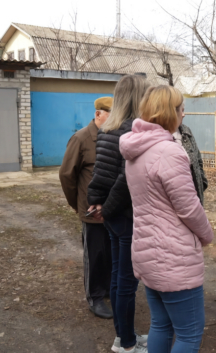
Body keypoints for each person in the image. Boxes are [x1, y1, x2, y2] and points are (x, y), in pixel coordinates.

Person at [119, 85, 214, 353]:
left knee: (160, 325)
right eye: (181, 108)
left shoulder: (136, 151)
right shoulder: (169, 152)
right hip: (174, 258)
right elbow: (188, 208)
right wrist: (207, 235)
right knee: (189, 334)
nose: (184, 113)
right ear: (169, 112)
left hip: (148, 253)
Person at [87, 75, 150, 353]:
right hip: (125, 216)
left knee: (116, 277)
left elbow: (100, 174)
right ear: (139, 97)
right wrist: (108, 208)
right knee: (126, 283)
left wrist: (97, 202)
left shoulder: (108, 128)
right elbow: (125, 180)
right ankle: (126, 344)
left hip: (114, 216)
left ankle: (123, 336)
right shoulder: (132, 132)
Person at [59, 97, 113, 319]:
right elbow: (67, 175)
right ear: (98, 114)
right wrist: (78, 205)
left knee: (111, 252)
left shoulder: (113, 137)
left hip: (112, 208)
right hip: (91, 211)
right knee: (94, 254)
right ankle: (95, 297)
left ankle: (108, 289)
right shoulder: (81, 138)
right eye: (111, 114)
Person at [173, 101, 208, 205]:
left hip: (195, 199)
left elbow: (198, 160)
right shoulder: (160, 135)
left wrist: (202, 183)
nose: (184, 114)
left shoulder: (186, 131)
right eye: (181, 111)